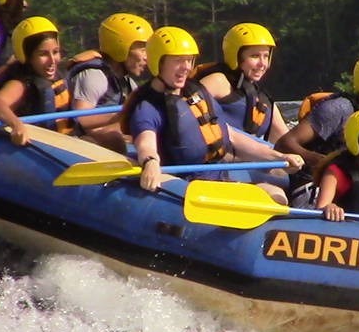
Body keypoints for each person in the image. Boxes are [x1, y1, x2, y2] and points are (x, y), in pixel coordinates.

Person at [122, 26, 303, 201]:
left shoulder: (196, 92)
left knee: (277, 195)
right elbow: (146, 143)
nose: (186, 67)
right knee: (271, 196)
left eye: (189, 60)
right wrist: (150, 162)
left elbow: (230, 135)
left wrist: (280, 157)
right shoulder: (148, 106)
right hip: (187, 186)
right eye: (178, 61)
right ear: (158, 62)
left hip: (216, 174)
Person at [276, 53, 359, 206]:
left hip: (353, 189)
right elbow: (284, 144)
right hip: (312, 187)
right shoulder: (338, 109)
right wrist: (325, 163)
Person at [65, 12, 152, 153]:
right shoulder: (94, 75)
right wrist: (124, 115)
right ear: (121, 47)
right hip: (79, 144)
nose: (147, 57)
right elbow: (81, 119)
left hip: (106, 143)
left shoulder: (128, 83)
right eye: (143, 50)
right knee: (115, 139)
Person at [0, 16, 74, 147]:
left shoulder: (55, 75)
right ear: (27, 56)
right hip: (43, 147)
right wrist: (16, 125)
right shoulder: (21, 83)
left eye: (55, 52)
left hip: (66, 141)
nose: (52, 60)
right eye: (43, 54)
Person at [193, 22, 289, 143]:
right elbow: (184, 115)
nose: (262, 64)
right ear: (236, 56)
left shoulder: (264, 101)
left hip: (251, 158)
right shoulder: (218, 81)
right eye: (255, 56)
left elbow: (286, 141)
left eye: (266, 56)